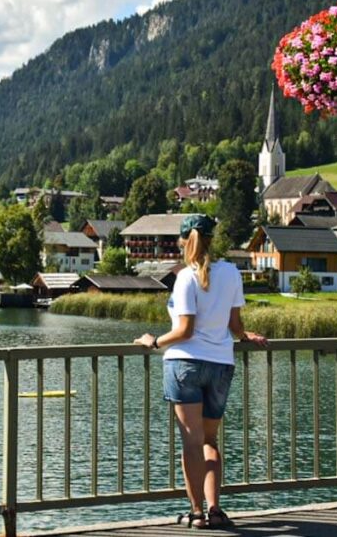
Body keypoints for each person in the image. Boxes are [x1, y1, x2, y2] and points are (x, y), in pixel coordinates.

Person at [134, 213, 267, 529]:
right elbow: (235, 327)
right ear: (212, 239)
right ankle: (216, 509)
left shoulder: (185, 278)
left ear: (184, 242)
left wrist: (153, 342)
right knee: (210, 441)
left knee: (192, 444)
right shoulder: (232, 273)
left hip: (185, 365)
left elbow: (185, 330)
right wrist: (246, 336)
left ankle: (196, 513)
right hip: (221, 365)